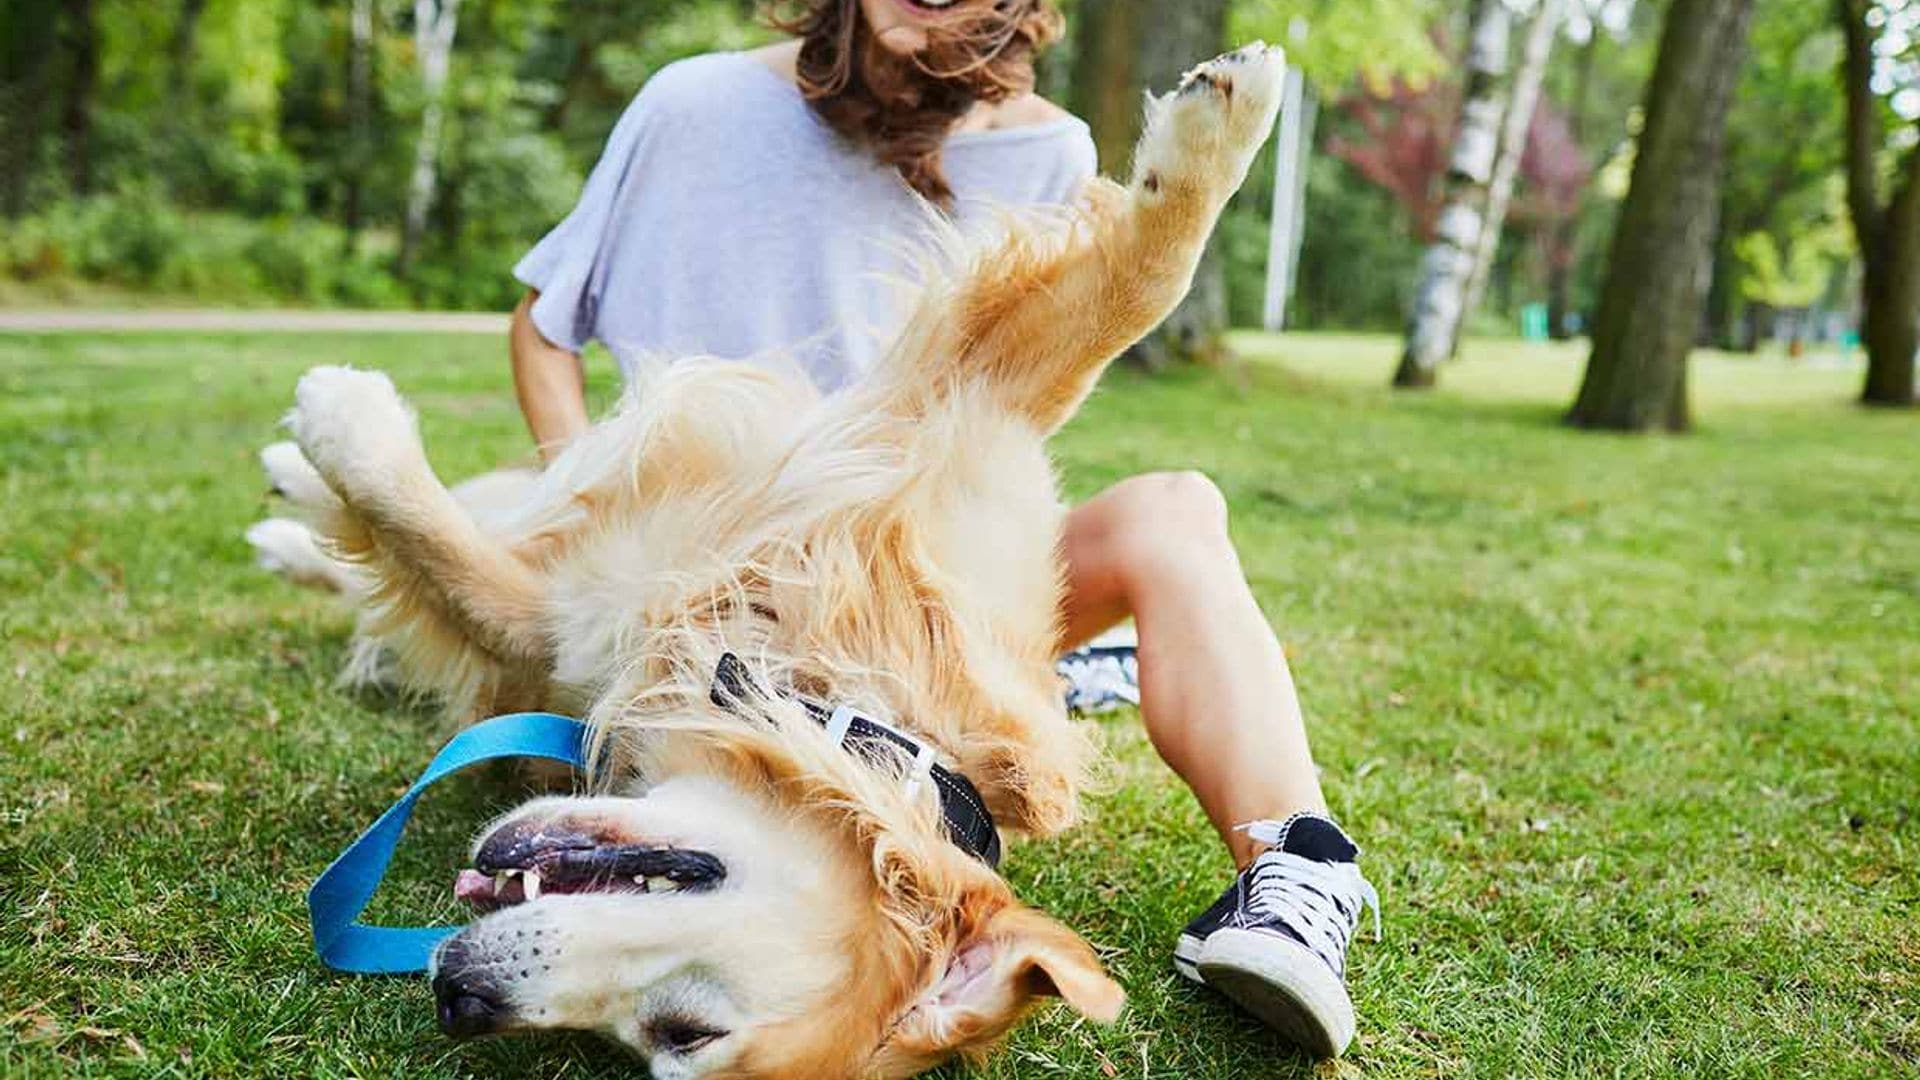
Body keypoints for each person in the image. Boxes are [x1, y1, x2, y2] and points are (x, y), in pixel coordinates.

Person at [508, 0, 1378, 1058]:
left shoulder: (1047, 146)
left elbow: (1007, 417)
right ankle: (1093, 670)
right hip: (716, 564)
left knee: (1174, 510)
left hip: (909, 567)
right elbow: (546, 325)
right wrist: (577, 508)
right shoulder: (694, 101)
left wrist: (1162, 246)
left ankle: (1295, 873)